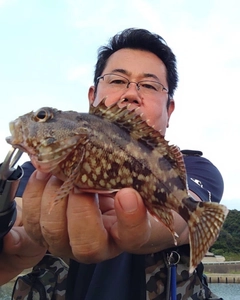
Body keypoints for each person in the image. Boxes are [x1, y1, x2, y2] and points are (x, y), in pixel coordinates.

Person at [0, 28, 224, 299]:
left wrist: (151, 227)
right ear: (92, 95)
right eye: (118, 81)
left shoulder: (193, 169)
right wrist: (11, 249)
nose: (131, 93)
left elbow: (181, 217)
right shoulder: (36, 172)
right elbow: (18, 213)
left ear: (169, 109)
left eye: (150, 85)